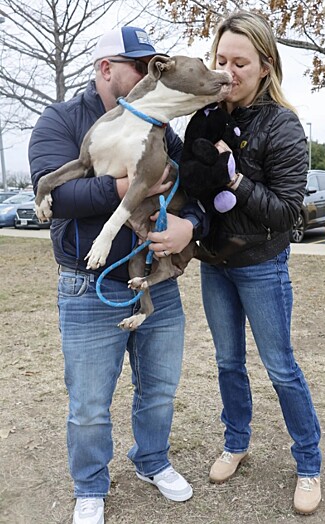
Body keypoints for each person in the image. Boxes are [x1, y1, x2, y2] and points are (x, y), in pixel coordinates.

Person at [29, 26, 205, 524]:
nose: (153, 72)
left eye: (156, 63)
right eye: (141, 64)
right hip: (87, 288)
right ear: (107, 68)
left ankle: (152, 461)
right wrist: (127, 184)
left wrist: (190, 225)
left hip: (155, 281)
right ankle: (90, 486)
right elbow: (59, 198)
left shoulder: (158, 123)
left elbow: (190, 185)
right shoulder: (62, 121)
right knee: (88, 405)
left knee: (160, 389)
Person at [196, 12, 322, 515]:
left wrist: (232, 179)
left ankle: (309, 464)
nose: (227, 71)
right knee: (228, 363)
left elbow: (288, 212)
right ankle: (237, 441)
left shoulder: (283, 125)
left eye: (240, 62)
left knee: (280, 367)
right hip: (214, 263)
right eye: (220, 60)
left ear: (266, 66)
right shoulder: (207, 114)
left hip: (261, 265)